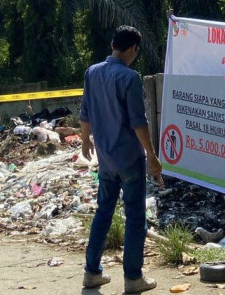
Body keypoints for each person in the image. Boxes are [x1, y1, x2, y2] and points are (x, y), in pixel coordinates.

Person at [80, 25, 163, 294]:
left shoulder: (92, 72)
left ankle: (92, 272)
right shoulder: (130, 77)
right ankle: (133, 277)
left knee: (103, 212)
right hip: (129, 159)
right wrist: (151, 155)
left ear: (112, 44)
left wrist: (84, 141)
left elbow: (85, 113)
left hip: (105, 159)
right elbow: (138, 122)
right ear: (133, 49)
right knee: (136, 217)